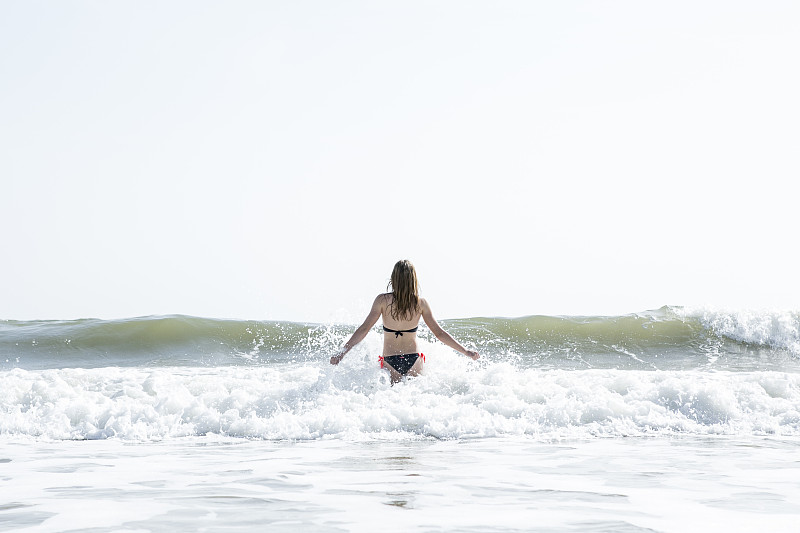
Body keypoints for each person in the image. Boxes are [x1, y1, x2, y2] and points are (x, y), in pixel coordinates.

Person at [330, 260, 480, 383]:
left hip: (390, 360)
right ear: (413, 279)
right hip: (414, 360)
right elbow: (439, 334)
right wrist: (465, 351)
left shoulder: (382, 300)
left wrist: (342, 353)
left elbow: (364, 329)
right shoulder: (421, 303)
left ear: (393, 278)